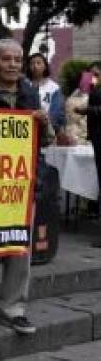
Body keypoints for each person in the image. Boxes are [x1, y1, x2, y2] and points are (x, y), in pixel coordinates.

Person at [0, 39, 52, 335]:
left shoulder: (31, 95)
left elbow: (46, 141)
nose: (15, 64)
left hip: (23, 184)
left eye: (18, 59)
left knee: (19, 249)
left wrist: (43, 123)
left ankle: (13, 307)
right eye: (7, 59)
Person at [26, 53, 64, 264]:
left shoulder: (53, 88)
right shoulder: (24, 84)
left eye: (39, 62)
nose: (35, 66)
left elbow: (58, 114)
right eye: (31, 62)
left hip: (45, 139)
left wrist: (47, 123)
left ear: (45, 65)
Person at [75, 62, 101, 246]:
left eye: (96, 73)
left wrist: (87, 110)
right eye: (90, 73)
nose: (92, 76)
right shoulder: (93, 88)